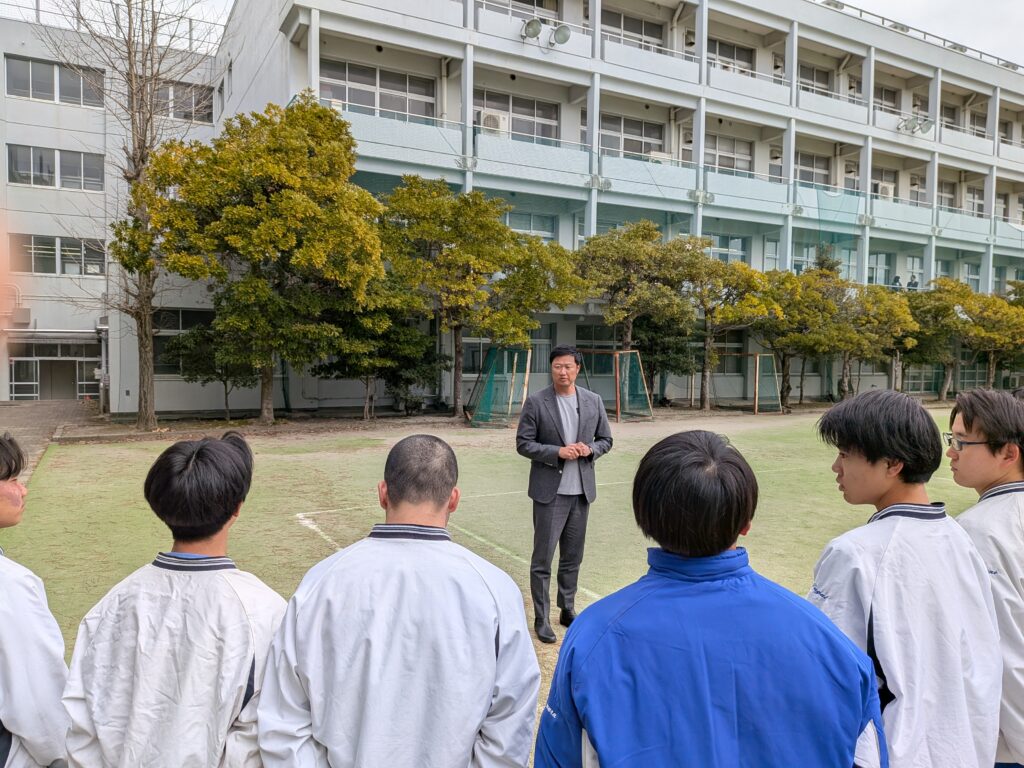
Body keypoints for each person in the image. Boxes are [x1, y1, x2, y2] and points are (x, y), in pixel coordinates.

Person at [535, 430, 887, 768]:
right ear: (746, 522)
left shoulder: (593, 636)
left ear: (645, 517)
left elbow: (559, 756)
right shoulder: (832, 645)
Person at [258, 434, 540, 767]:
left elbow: (284, 724)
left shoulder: (321, 582)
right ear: (453, 499)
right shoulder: (496, 590)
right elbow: (509, 729)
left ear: (382, 493)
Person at [64, 431, 285, 767]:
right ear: (237, 509)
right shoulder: (265, 611)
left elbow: (82, 723)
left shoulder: (113, 604)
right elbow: (256, 739)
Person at [808, 390, 1001, 768]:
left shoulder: (856, 554)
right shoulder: (959, 537)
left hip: (895, 753)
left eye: (845, 454)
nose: (836, 467)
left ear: (892, 463)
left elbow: (829, 676)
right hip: (965, 749)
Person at [947, 389, 1024, 768]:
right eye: (952, 440)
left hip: (1009, 743)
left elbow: (1007, 651)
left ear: (1009, 453)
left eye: (962, 442)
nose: (951, 453)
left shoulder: (980, 531)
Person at [516, 345, 613, 643]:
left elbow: (606, 439)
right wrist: (557, 451)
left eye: (568, 366)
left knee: (573, 556)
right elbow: (523, 443)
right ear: (552, 368)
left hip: (581, 492)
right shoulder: (536, 402)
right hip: (549, 493)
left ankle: (567, 608)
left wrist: (590, 449)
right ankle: (541, 617)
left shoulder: (593, 401)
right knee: (543, 558)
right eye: (558, 366)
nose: (563, 371)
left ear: (577, 369)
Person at [0, 433, 68, 768]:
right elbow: (39, 698)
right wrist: (62, 754)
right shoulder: (10, 584)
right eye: (12, 479)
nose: (23, 490)